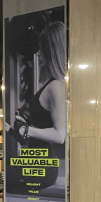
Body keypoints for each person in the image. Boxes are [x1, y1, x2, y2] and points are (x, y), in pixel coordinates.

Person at [7, 21, 66, 189]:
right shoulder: (52, 84)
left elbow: (59, 135)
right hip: (37, 161)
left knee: (4, 177)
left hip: (43, 167)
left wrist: (27, 129)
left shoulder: (56, 86)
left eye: (42, 48)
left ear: (51, 50)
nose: (38, 53)